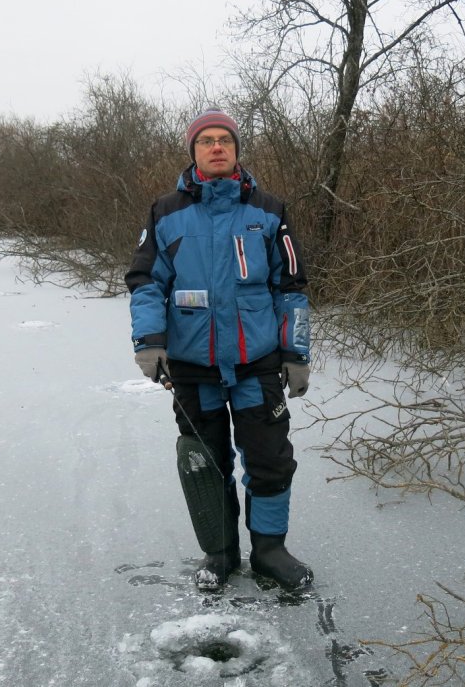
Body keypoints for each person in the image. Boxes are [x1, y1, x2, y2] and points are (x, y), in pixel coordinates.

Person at [125, 107, 313, 591]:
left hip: (257, 365)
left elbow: (290, 286)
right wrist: (150, 342)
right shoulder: (166, 212)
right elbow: (146, 282)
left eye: (224, 140)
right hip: (192, 367)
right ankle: (220, 551)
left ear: (236, 151)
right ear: (193, 151)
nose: (216, 147)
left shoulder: (268, 211)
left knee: (270, 461)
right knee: (207, 464)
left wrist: (295, 351)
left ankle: (270, 550)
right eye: (206, 140)